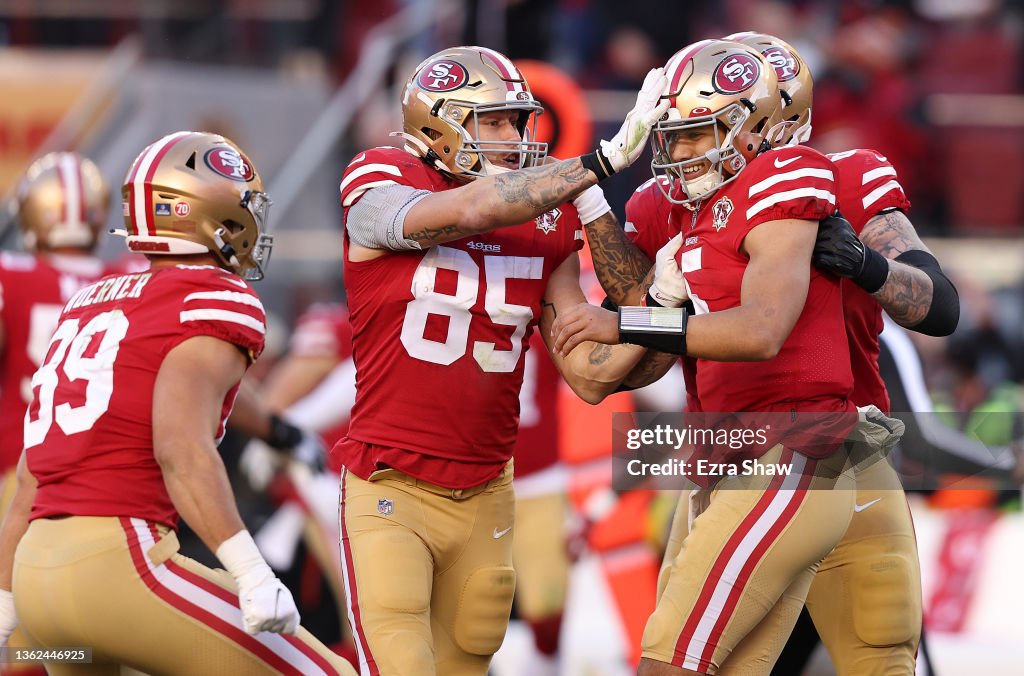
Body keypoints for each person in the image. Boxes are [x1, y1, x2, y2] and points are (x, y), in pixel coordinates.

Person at [550, 39, 906, 675]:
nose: (679, 153)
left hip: (809, 438)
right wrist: (596, 210)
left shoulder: (799, 178)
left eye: (697, 133)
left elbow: (763, 330)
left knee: (875, 652)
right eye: (674, 134)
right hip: (721, 452)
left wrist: (872, 267)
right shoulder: (669, 210)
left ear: (765, 125)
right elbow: (598, 376)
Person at [335, 45, 669, 675]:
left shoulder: (545, 218)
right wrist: (597, 164)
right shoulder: (381, 176)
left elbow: (592, 375)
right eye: (497, 122)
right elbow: (470, 210)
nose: (516, 136)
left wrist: (663, 313)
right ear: (440, 123)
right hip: (392, 484)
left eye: (520, 121)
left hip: (489, 489)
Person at [0, 131, 355, 675]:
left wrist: (5, 602)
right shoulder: (212, 297)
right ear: (205, 216)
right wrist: (252, 572)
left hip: (37, 576)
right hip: (117, 564)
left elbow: (31, 475)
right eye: (240, 210)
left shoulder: (87, 304)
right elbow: (179, 446)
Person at [0, 152, 109, 676]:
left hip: (16, 483)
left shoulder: (12, 274)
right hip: (110, 492)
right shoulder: (131, 275)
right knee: (88, 646)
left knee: (18, 649)